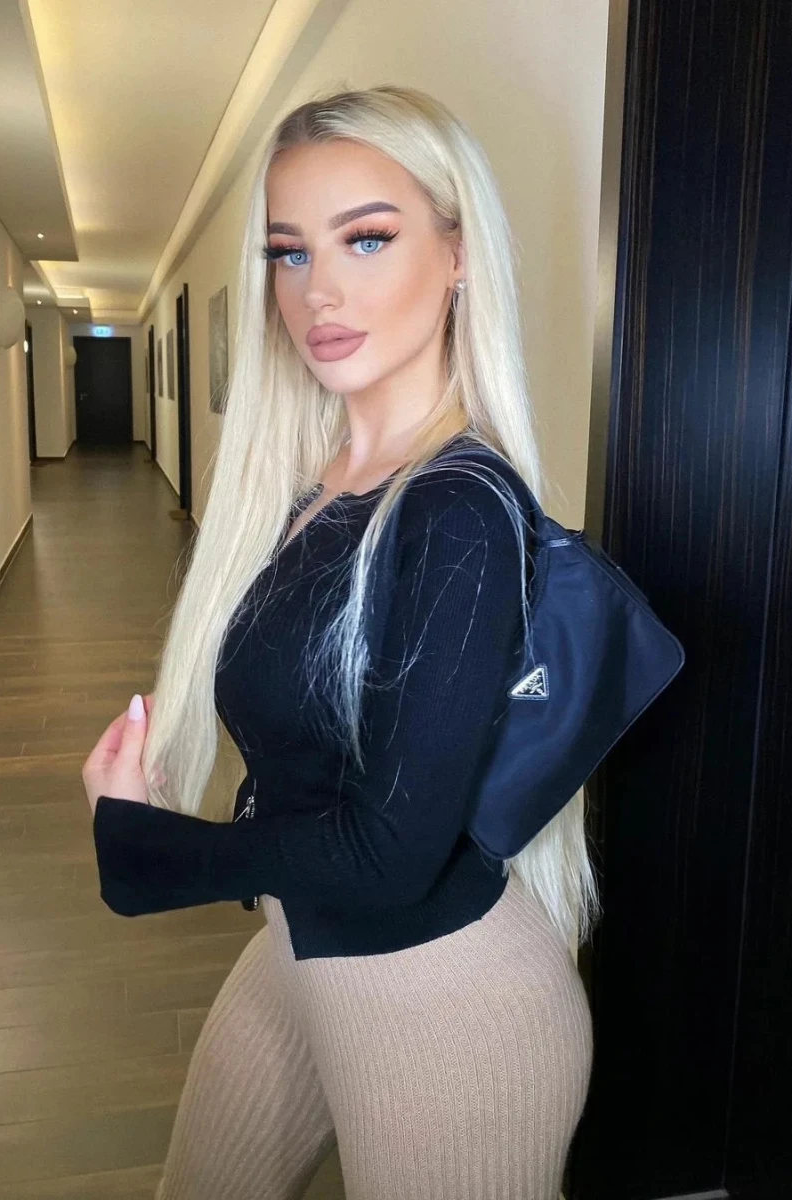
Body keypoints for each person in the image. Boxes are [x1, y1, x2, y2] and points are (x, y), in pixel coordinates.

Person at [81, 85, 597, 1200]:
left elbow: (390, 854)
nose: (318, 289)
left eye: (366, 238)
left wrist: (150, 853)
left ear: (457, 255)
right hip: (301, 948)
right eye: (289, 251)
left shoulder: (457, 510)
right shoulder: (313, 489)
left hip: (446, 1008)